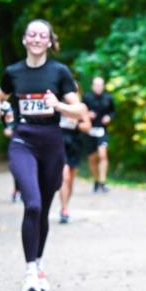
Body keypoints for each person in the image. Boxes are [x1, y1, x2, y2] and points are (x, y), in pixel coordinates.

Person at [0, 19, 85, 291]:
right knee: (31, 204)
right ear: (24, 39)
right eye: (31, 34)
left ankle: (38, 263)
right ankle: (30, 271)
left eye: (42, 35)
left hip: (52, 144)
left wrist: (57, 105)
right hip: (23, 141)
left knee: (43, 208)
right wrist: (3, 113)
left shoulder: (59, 71)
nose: (36, 39)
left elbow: (79, 110)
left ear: (48, 41)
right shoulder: (13, 72)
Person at [58, 84, 91, 224]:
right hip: (59, 143)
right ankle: (64, 209)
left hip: (74, 144)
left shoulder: (81, 107)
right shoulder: (57, 104)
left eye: (75, 90)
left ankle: (65, 205)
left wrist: (76, 124)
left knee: (70, 179)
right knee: (64, 177)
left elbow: (87, 126)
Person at [82, 75, 115, 193]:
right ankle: (96, 181)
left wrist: (109, 117)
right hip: (90, 130)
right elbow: (81, 111)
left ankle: (102, 182)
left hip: (102, 130)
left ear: (103, 86)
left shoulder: (108, 97)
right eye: (96, 85)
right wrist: (87, 115)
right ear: (92, 86)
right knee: (92, 158)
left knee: (103, 154)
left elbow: (113, 112)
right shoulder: (87, 97)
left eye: (100, 85)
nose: (98, 87)